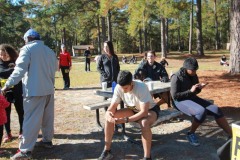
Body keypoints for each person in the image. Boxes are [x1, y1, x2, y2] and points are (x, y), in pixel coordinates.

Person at [1, 28, 57, 159]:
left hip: (34, 90)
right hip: (49, 89)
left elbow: (19, 69)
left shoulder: (27, 49)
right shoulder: (49, 51)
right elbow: (54, 69)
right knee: (47, 118)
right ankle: (47, 140)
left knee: (30, 120)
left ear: (28, 39)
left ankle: (25, 150)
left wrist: (7, 84)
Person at [170, 57, 232, 146]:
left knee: (216, 109)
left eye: (196, 70)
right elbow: (175, 96)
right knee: (201, 111)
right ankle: (190, 133)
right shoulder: (176, 77)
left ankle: (232, 135)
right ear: (186, 68)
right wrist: (190, 91)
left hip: (191, 97)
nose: (195, 72)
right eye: (193, 70)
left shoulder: (193, 75)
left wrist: (199, 88)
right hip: (179, 101)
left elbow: (195, 91)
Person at [98, 70, 159, 160]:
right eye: (122, 88)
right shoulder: (119, 87)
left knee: (144, 122)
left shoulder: (141, 87)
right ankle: (107, 151)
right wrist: (108, 114)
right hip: (133, 109)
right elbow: (112, 108)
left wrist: (125, 120)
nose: (123, 90)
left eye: (126, 88)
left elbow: (144, 112)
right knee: (110, 118)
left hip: (150, 110)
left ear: (132, 83)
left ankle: (147, 157)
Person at [0, 44, 24, 142]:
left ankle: (22, 131)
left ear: (10, 53)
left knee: (21, 112)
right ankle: (8, 133)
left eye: (5, 55)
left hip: (17, 91)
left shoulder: (17, 62)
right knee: (5, 113)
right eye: (1, 55)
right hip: (4, 93)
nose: (3, 57)